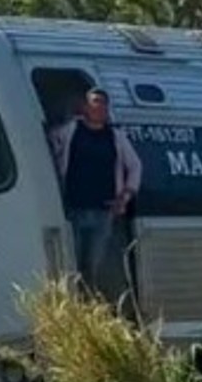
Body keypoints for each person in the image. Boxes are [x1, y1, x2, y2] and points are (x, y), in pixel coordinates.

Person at [48, 87, 143, 306]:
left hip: (104, 211)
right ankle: (75, 305)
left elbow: (135, 166)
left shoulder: (116, 137)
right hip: (75, 208)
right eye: (94, 102)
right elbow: (52, 143)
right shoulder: (71, 130)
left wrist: (126, 195)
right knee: (73, 263)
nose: (98, 107)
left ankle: (89, 306)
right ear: (85, 107)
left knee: (93, 265)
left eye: (102, 103)